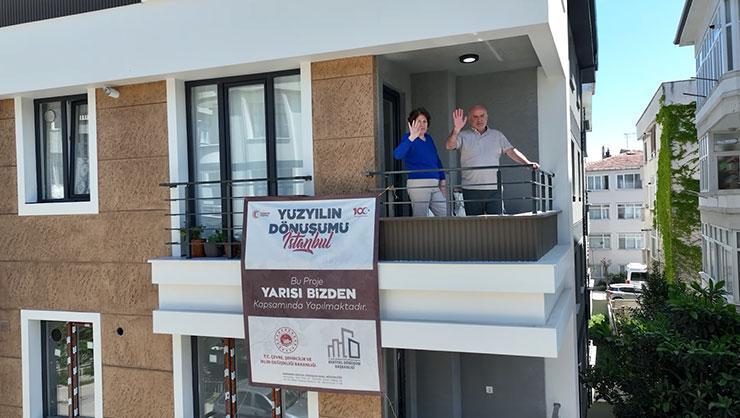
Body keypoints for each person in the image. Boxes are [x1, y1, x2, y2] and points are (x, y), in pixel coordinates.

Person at [446, 105, 539, 215]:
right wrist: (456, 129)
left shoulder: (497, 135)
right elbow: (449, 146)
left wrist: (527, 163)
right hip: (471, 189)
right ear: (470, 119)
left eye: (482, 116)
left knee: (496, 223)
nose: (479, 119)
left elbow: (511, 151)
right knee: (474, 224)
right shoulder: (463, 135)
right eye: (475, 117)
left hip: (494, 189)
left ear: (487, 117)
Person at [394, 108, 447, 217]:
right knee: (421, 218)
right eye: (419, 121)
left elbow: (436, 160)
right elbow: (397, 155)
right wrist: (412, 137)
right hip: (418, 184)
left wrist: (442, 180)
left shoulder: (429, 138)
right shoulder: (408, 138)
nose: (422, 124)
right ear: (412, 123)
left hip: (435, 184)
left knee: (446, 214)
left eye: (424, 121)